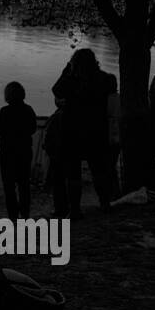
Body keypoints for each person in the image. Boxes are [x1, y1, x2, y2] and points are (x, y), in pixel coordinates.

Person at [50, 48, 117, 215]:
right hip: (96, 130)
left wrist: (66, 72)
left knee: (73, 173)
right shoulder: (106, 79)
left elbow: (56, 90)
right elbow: (112, 96)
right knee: (98, 170)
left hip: (72, 131)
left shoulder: (70, 81)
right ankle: (104, 202)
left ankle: (75, 209)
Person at [0, 82, 37, 219]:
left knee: (9, 186)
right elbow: (33, 129)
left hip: (7, 153)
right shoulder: (29, 110)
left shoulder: (4, 111)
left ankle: (13, 215)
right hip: (24, 152)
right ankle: (25, 213)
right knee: (24, 185)